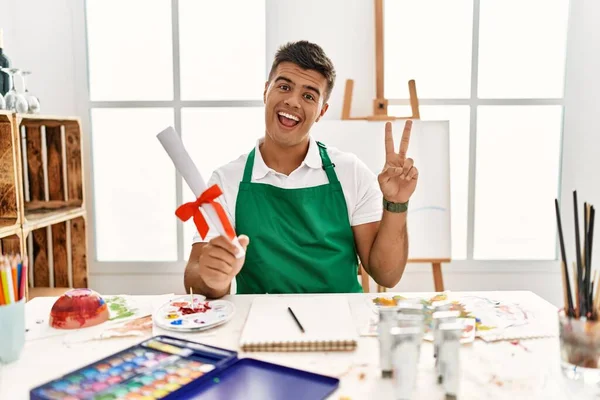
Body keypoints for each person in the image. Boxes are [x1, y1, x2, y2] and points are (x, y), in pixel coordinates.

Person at [184, 40, 418, 298]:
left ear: (321, 111)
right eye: (284, 87)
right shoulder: (226, 180)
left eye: (308, 95)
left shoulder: (350, 172)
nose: (293, 102)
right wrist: (213, 277)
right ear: (265, 92)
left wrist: (396, 203)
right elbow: (195, 278)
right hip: (259, 327)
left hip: (341, 325)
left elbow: (387, 275)